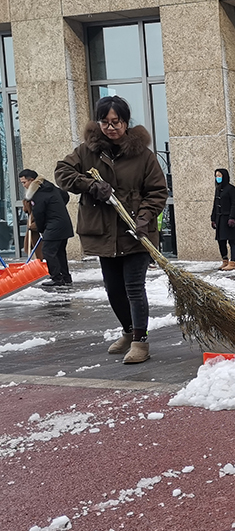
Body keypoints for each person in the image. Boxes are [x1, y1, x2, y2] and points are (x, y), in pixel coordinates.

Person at [55, 95, 167, 364]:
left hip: (136, 233)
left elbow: (157, 192)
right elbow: (62, 172)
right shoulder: (87, 151)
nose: (110, 127)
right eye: (105, 122)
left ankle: (141, 341)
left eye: (116, 122)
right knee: (113, 289)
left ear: (126, 122)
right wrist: (91, 185)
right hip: (104, 233)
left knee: (133, 287)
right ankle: (128, 332)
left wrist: (143, 217)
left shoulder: (144, 156)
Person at [20, 169, 74, 287]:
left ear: (32, 180)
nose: (24, 186)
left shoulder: (38, 194)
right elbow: (65, 195)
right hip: (63, 224)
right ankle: (66, 277)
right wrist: (57, 208)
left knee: (48, 252)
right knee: (59, 252)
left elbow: (39, 214)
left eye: (24, 182)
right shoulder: (50, 187)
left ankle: (57, 278)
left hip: (53, 226)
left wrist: (41, 229)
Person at [211, 168, 235, 271]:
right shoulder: (218, 189)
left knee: (232, 241)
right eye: (216, 176)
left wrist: (232, 217)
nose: (217, 178)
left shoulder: (231, 189)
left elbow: (234, 204)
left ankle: (232, 262)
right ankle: (225, 260)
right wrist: (213, 218)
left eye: (219, 175)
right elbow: (215, 204)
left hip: (228, 218)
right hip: (219, 218)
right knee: (221, 240)